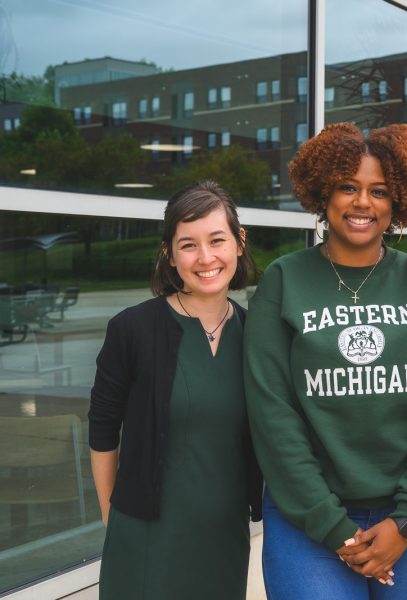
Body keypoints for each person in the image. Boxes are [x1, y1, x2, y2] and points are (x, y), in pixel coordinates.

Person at [244, 122, 407, 600]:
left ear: (399, 202)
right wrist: (334, 530)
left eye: (379, 191)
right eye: (348, 187)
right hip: (308, 516)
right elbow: (273, 418)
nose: (362, 203)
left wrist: (406, 520)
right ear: (323, 192)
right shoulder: (284, 282)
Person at [88, 181, 262, 599]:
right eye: (188, 245)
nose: (205, 258)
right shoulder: (132, 329)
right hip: (146, 537)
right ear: (169, 253)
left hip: (225, 537)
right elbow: (103, 428)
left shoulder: (259, 335)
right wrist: (113, 515)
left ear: (239, 242)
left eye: (217, 240)